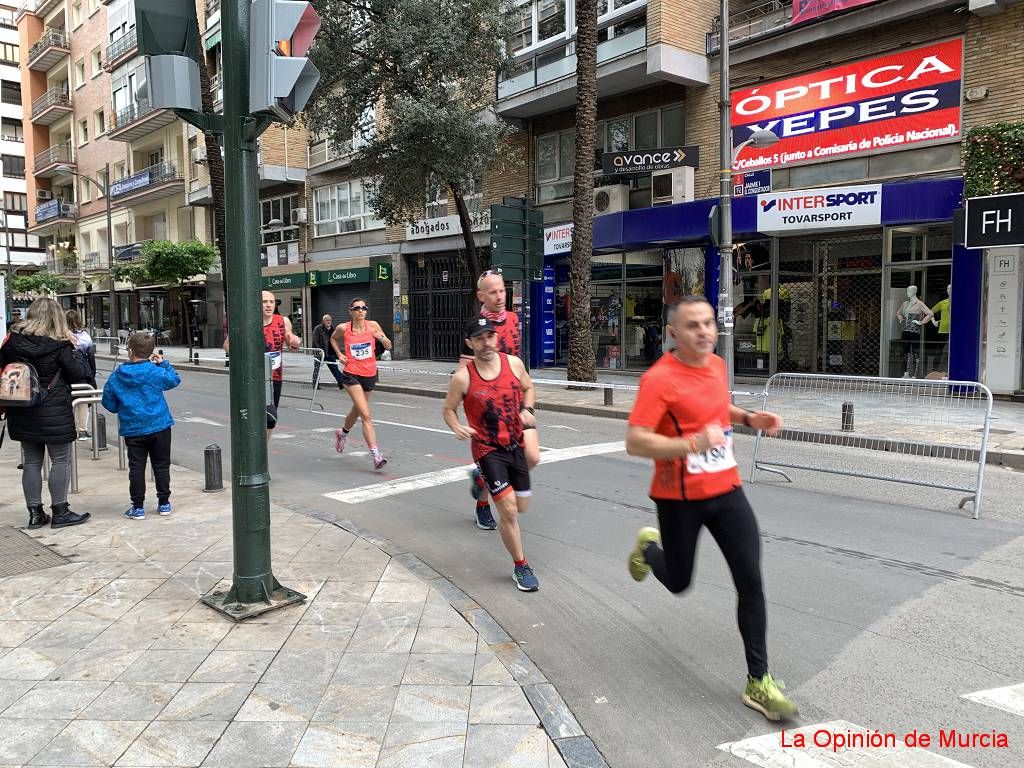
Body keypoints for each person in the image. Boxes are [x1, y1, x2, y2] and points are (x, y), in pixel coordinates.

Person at [624, 295, 798, 722]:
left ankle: (758, 680)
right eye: (692, 325)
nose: (704, 331)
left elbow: (717, 409)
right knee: (680, 582)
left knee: (751, 582)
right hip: (678, 499)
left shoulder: (717, 366)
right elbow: (635, 441)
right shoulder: (659, 379)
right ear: (673, 333)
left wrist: (749, 418)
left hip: (727, 492)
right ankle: (649, 549)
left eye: (708, 323)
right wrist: (691, 444)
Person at [444, 318, 539, 591]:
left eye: (490, 336)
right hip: (487, 448)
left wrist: (528, 411)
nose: (486, 343)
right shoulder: (463, 377)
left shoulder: (514, 364)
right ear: (470, 343)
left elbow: (529, 388)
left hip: (516, 443)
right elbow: (448, 410)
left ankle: (481, 481)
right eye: (479, 338)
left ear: (496, 338)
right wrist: (457, 426)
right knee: (509, 511)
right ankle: (521, 566)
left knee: (522, 507)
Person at [0, 298, 93, 529]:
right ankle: (61, 512)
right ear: (57, 317)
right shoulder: (60, 344)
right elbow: (80, 373)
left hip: (21, 409)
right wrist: (75, 349)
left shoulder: (12, 343)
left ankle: (35, 514)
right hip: (54, 411)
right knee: (60, 460)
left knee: (31, 462)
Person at [460, 269, 541, 530]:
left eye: (502, 290)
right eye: (493, 292)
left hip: (516, 399)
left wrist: (527, 404)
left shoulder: (515, 318)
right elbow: (464, 373)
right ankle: (483, 503)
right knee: (496, 462)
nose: (499, 296)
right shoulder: (476, 330)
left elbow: (516, 358)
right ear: (481, 295)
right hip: (491, 407)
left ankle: (483, 478)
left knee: (532, 457)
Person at [101, 333, 180, 520]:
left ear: (129, 351)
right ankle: (164, 503)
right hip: (160, 425)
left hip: (133, 428)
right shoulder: (155, 371)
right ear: (151, 352)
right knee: (161, 465)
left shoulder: (117, 376)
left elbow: (108, 402)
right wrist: (163, 363)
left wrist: (122, 407)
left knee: (136, 467)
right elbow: (174, 379)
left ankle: (137, 507)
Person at [223, 290, 301, 440]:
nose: (269, 305)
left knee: (270, 421)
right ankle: (254, 452)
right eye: (264, 302)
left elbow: (291, 343)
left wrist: (295, 342)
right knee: (266, 416)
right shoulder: (247, 322)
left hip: (274, 378)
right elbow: (227, 346)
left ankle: (261, 454)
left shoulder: (282, 321)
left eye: (272, 302)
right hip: (254, 378)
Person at [331, 298, 392, 470]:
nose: (361, 311)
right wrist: (339, 355)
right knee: (366, 415)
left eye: (364, 308)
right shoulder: (344, 328)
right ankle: (376, 455)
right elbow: (333, 339)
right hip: (351, 374)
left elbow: (388, 344)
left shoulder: (373, 326)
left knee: (357, 409)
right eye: (357, 308)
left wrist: (384, 340)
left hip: (369, 374)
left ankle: (342, 433)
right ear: (350, 311)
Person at [65, 310, 97, 439]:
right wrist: (91, 374)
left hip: (66, 372)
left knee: (68, 401)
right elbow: (91, 356)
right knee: (83, 401)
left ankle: (70, 428)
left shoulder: (60, 335)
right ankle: (82, 430)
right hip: (83, 373)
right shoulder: (85, 336)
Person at [312, 314, 345, 390]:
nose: (329, 322)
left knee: (335, 369)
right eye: (327, 320)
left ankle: (342, 384)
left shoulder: (333, 329)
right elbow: (315, 341)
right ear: (323, 321)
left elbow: (335, 340)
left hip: (330, 353)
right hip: (320, 353)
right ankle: (315, 385)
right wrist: (319, 350)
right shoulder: (318, 329)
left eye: (330, 320)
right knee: (317, 369)